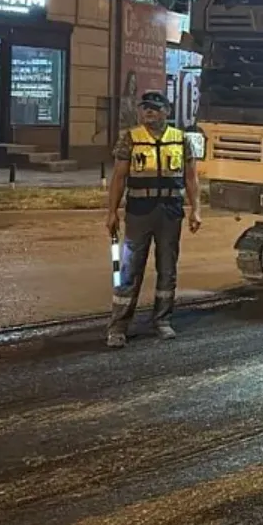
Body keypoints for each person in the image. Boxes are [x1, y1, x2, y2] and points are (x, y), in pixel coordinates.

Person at [104, 90, 202, 347]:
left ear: (166, 112)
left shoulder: (181, 139)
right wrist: (111, 211)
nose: (149, 111)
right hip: (139, 213)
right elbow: (118, 178)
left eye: (155, 108)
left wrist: (196, 209)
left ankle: (162, 321)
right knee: (128, 270)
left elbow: (191, 178)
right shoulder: (130, 139)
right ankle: (118, 326)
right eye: (145, 107)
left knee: (167, 269)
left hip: (170, 212)